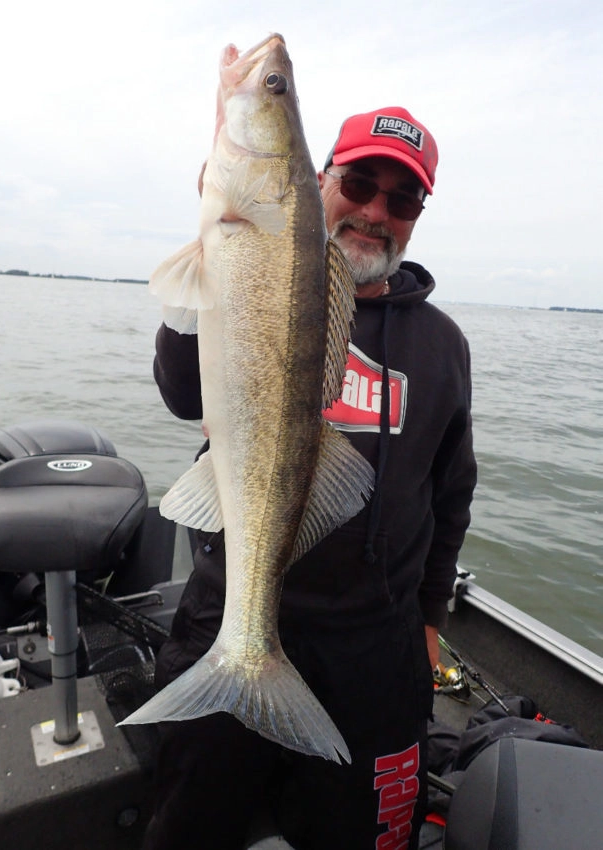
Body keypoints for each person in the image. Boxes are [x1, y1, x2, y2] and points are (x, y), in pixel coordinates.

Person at [144, 106, 477, 850]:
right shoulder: (242, 275)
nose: (374, 212)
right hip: (231, 606)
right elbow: (180, 392)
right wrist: (211, 238)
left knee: (356, 836)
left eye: (402, 200)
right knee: (190, 828)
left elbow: (451, 498)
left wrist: (429, 622)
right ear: (320, 181)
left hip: (374, 647)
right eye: (359, 183)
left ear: (417, 216)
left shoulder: (444, 344)